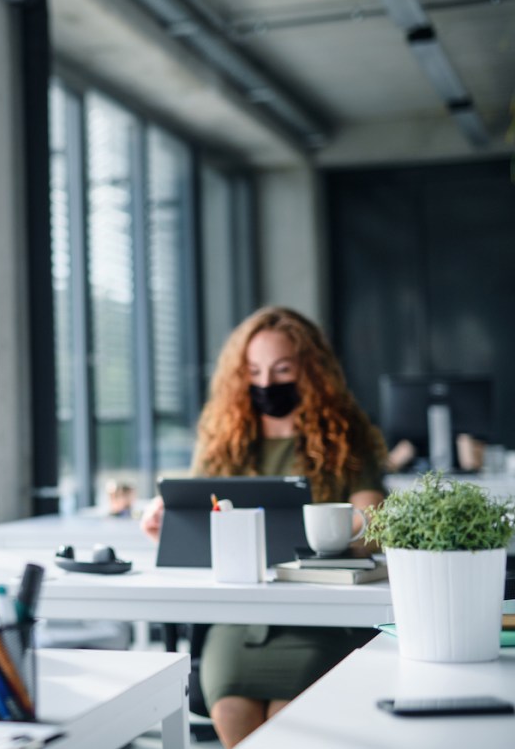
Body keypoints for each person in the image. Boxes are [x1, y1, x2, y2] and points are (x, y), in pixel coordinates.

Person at [140, 306, 386, 747]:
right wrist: (167, 519)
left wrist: (346, 524)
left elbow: (372, 518)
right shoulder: (224, 437)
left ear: (310, 371)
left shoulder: (347, 436)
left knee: (284, 723)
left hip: (319, 617)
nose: (266, 384)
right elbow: (197, 509)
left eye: (282, 369)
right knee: (235, 711)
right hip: (240, 620)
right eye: (253, 371)